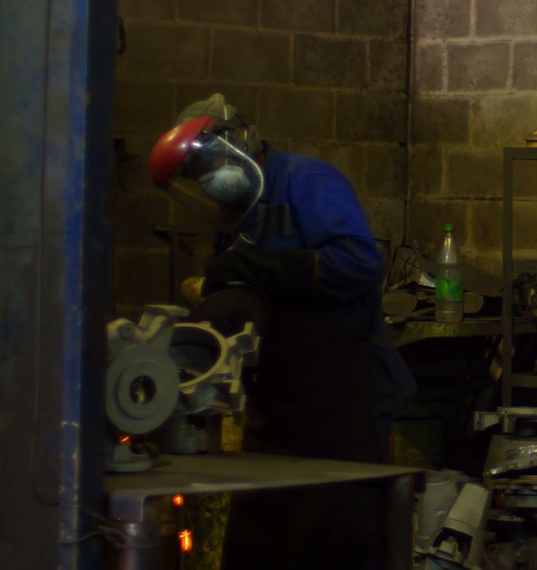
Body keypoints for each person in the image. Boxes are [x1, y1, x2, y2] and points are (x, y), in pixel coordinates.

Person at [148, 93, 415, 568]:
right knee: (263, 533)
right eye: (195, 176)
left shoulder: (308, 182)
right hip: (277, 401)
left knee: (341, 534)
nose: (205, 180)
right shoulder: (235, 216)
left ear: (236, 145)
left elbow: (361, 265)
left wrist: (269, 267)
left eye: (206, 165)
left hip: (341, 399)